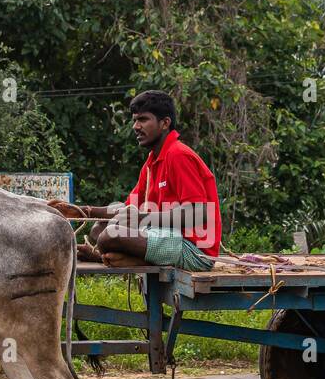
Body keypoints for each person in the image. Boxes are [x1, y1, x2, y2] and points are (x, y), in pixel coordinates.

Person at [50, 90, 222, 271]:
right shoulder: (152, 162)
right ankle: (123, 257)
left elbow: (200, 213)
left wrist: (142, 218)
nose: (136, 126)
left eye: (143, 119)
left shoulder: (178, 155)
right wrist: (84, 211)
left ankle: (112, 257)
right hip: (164, 235)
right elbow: (126, 210)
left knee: (109, 235)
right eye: (135, 120)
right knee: (98, 229)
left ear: (165, 123)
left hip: (194, 251)